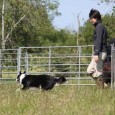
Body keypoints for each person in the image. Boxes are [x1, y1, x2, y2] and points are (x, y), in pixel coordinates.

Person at [87, 9, 108, 87]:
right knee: (89, 71)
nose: (90, 20)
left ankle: (102, 90)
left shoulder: (99, 27)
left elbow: (99, 40)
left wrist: (96, 53)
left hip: (100, 52)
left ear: (95, 17)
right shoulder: (99, 26)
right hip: (99, 52)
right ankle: (104, 85)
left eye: (91, 18)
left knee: (98, 72)